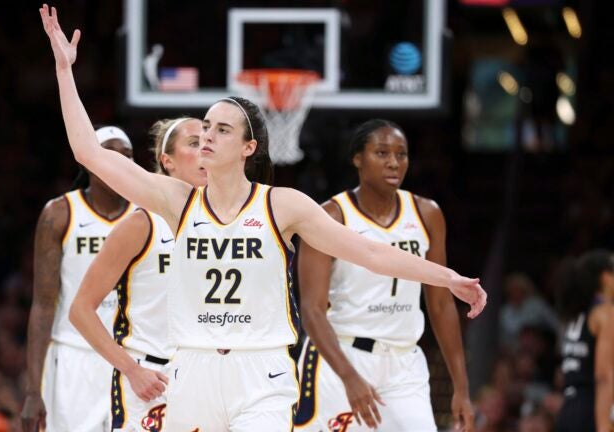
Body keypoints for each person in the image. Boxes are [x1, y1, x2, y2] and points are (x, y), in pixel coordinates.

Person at [39, 5, 486, 429]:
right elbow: (87, 151)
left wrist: (447, 277)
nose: (208, 136)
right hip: (192, 367)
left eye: (221, 129)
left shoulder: (281, 205)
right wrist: (64, 71)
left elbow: (369, 251)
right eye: (206, 127)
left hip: (262, 371)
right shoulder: (177, 201)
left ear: (248, 148)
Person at [293, 119, 474, 431]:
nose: (394, 162)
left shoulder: (426, 213)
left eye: (401, 154)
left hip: (405, 363)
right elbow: (311, 309)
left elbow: (441, 304)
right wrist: (349, 376)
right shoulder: (331, 216)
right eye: (381, 152)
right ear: (357, 159)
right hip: (343, 355)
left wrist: (462, 387)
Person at [69, 117, 207, 431]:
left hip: (207, 378)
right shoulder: (142, 223)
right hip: (150, 379)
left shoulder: (229, 223)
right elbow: (80, 310)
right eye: (194, 143)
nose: (204, 151)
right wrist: (131, 370)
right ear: (167, 160)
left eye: (208, 143)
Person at [21, 124, 136, 432]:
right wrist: (33, 390)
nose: (121, 163)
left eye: (128, 156)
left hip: (134, 355)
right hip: (73, 355)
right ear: (89, 161)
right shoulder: (60, 213)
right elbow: (43, 305)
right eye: (110, 154)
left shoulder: (150, 214)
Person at [556, 249, 614, 432]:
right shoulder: (605, 313)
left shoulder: (576, 314)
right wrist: (604, 424)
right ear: (605, 277)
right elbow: (603, 376)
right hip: (593, 410)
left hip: (569, 408)